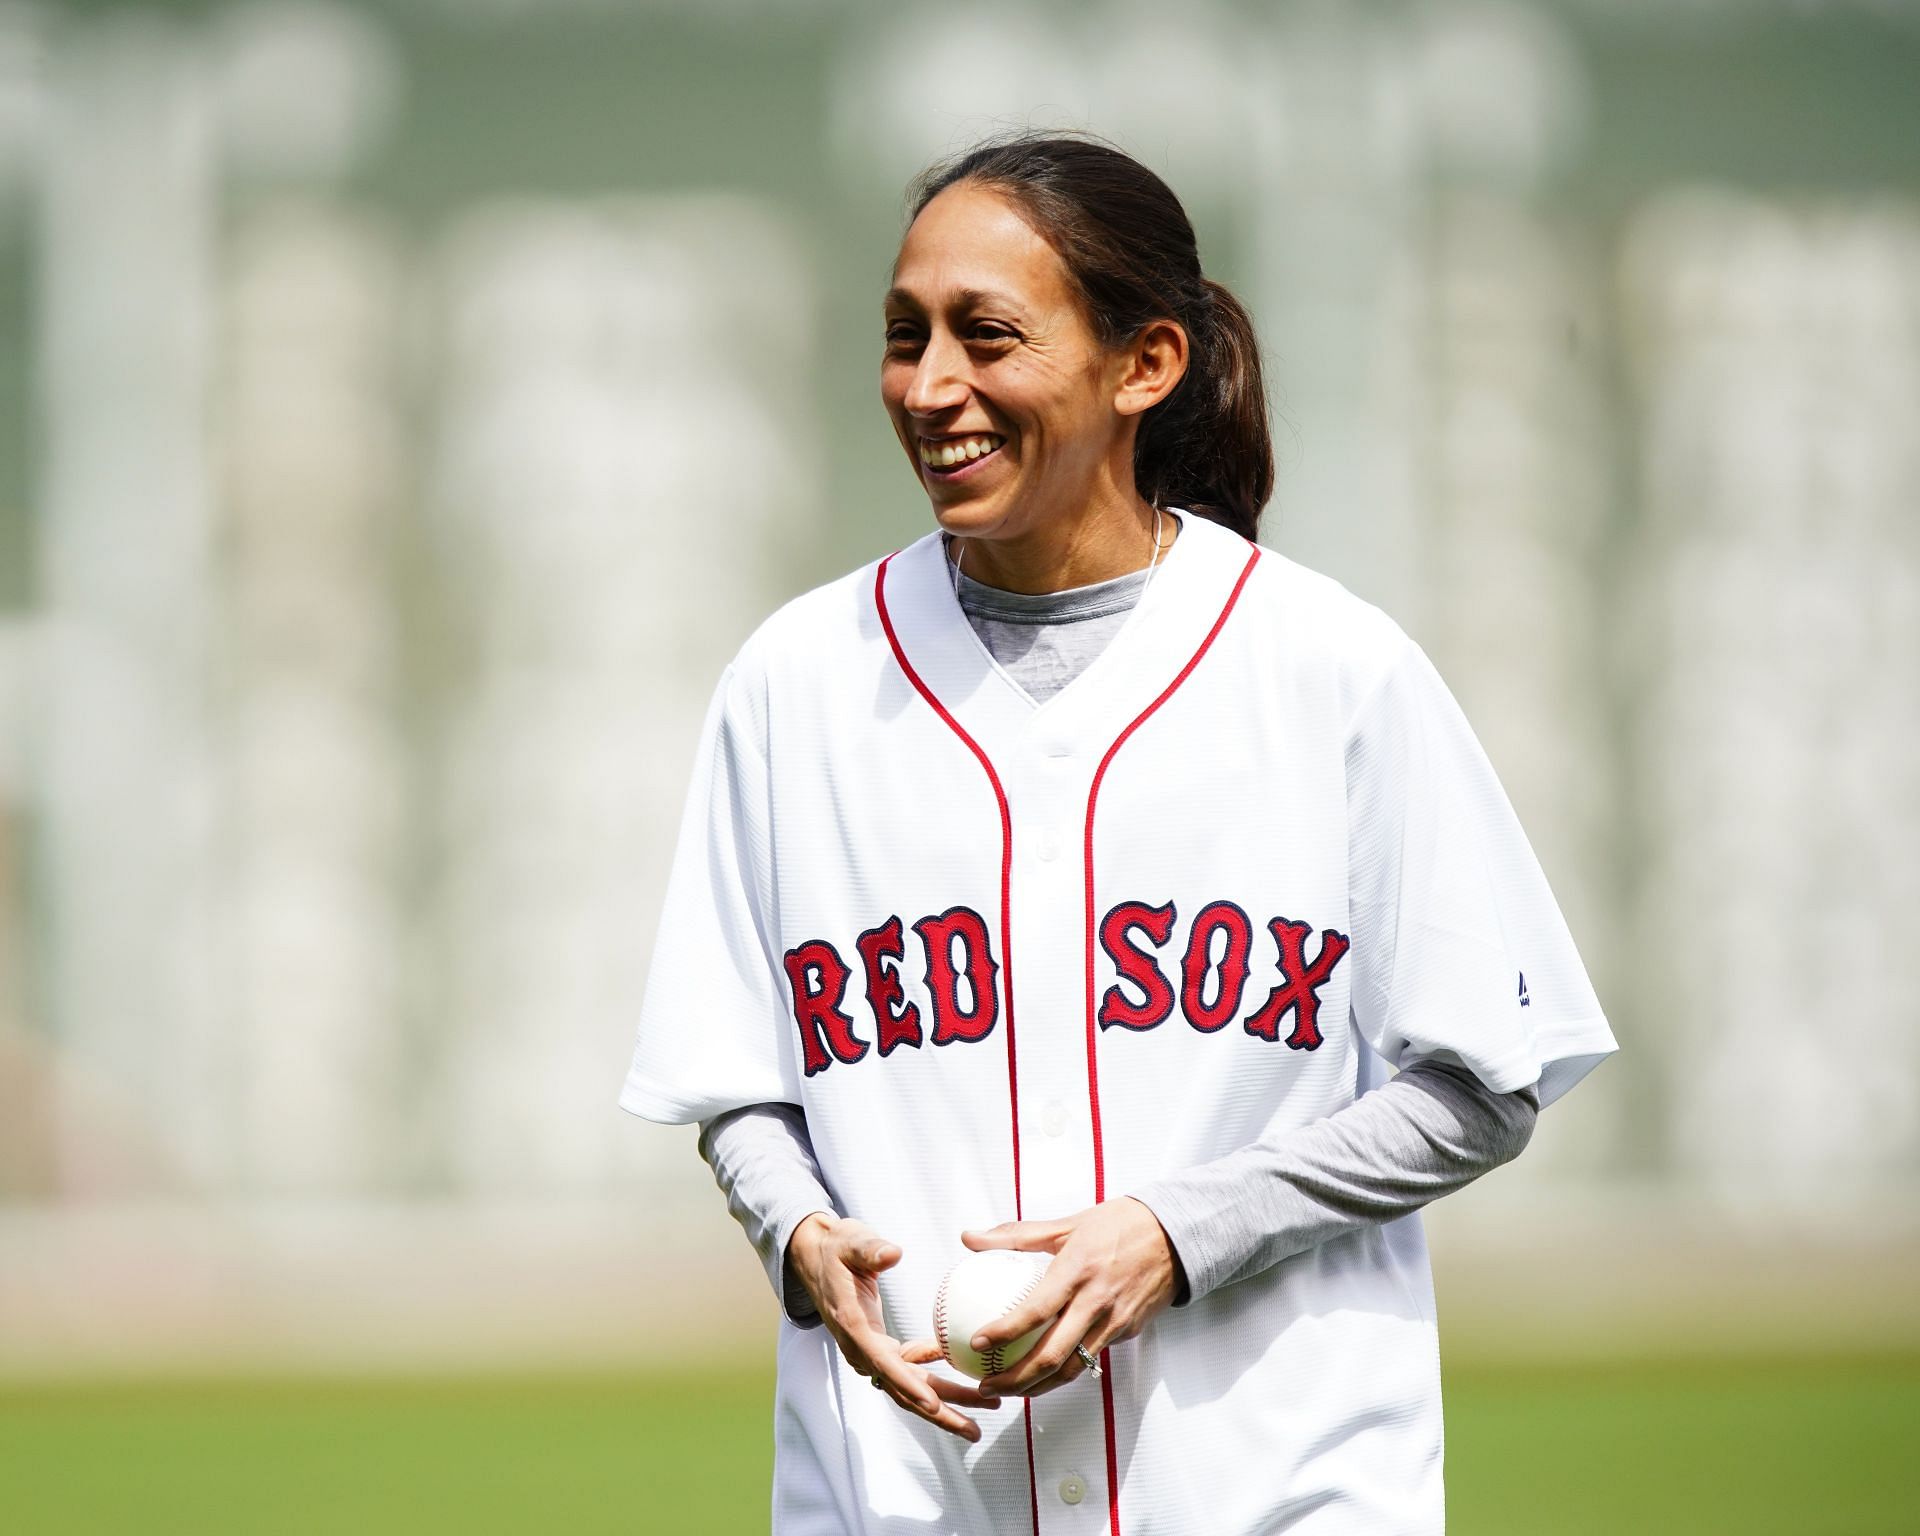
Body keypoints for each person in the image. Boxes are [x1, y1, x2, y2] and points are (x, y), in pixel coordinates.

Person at [618, 130, 1618, 1535]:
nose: (931, 385)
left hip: (1269, 1482)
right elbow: (736, 1084)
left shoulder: (1328, 669)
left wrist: (1177, 1231)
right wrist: (794, 1230)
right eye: (906, 336)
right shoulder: (798, 682)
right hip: (907, 1494)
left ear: (1143, 366)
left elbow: (1488, 1082)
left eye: (988, 334)